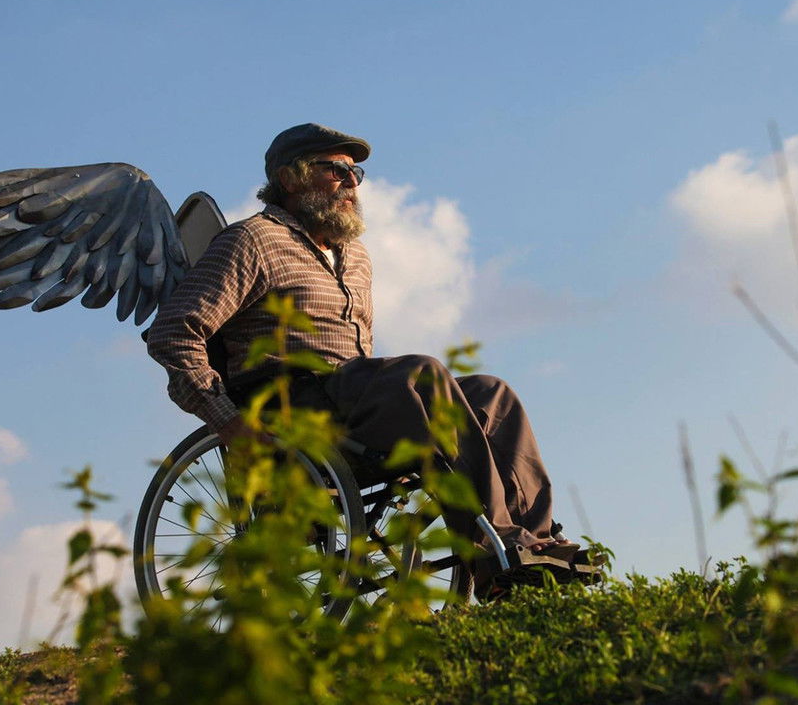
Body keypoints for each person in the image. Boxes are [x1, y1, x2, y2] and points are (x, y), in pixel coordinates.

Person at [147, 123, 574, 564]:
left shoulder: (356, 257)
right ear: (290, 179)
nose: (351, 182)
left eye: (356, 173)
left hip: (353, 398)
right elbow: (173, 332)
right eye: (336, 170)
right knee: (421, 375)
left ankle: (538, 540)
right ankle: (496, 541)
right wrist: (228, 421)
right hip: (292, 402)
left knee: (491, 394)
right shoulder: (252, 241)